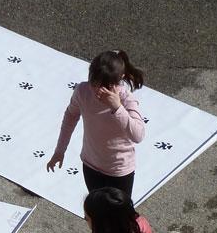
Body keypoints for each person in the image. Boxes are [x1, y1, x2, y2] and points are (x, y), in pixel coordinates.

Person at [47, 49, 145, 197]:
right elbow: (70, 117)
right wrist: (59, 151)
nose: (98, 92)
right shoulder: (82, 91)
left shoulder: (126, 99)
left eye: (106, 87)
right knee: (98, 214)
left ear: (120, 79)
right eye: (95, 84)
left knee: (119, 217)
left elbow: (138, 135)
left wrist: (117, 108)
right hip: (91, 166)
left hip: (119, 172)